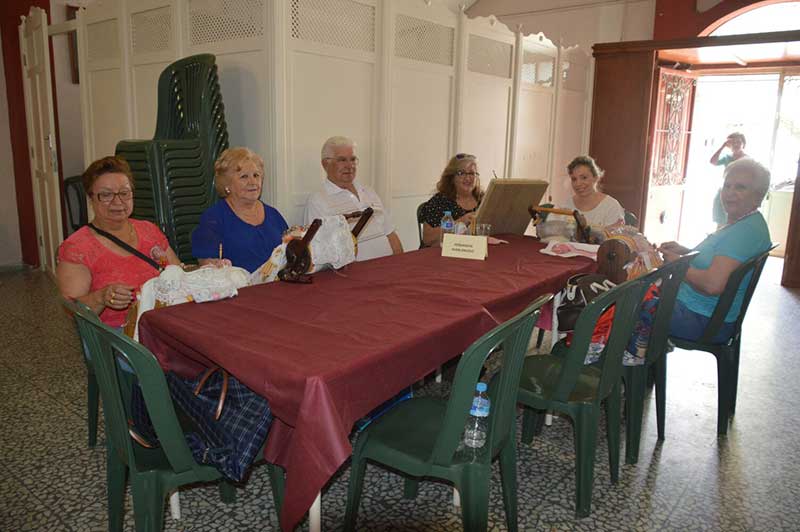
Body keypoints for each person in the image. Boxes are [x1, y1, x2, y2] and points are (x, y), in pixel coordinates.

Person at [57, 156, 181, 327]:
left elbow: (177, 274)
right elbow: (71, 310)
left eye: (124, 193)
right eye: (106, 195)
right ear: (91, 198)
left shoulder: (149, 230)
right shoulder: (77, 247)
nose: (118, 202)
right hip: (121, 339)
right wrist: (100, 297)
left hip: (166, 325)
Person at [659, 157, 771, 342]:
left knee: (623, 307)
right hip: (700, 311)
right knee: (634, 296)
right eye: (727, 186)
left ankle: (626, 365)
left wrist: (678, 264)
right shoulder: (745, 223)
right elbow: (719, 261)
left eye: (740, 187)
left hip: (702, 319)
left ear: (758, 195)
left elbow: (712, 285)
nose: (729, 193)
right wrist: (685, 252)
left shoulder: (745, 232)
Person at [304, 136, 403, 261]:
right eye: (342, 160)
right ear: (325, 164)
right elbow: (321, 252)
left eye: (352, 159)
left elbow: (390, 234)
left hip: (389, 266)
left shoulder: (369, 191)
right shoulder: (318, 201)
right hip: (358, 274)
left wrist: (401, 263)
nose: (349, 165)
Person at [192, 147, 288, 273]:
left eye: (256, 175)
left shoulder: (273, 215)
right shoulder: (213, 218)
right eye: (244, 177)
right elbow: (208, 268)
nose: (253, 182)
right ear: (227, 184)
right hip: (240, 290)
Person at [418, 153, 484, 247]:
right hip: (441, 255)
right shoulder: (439, 201)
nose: (468, 178)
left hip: (475, 252)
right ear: (451, 177)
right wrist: (460, 222)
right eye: (461, 173)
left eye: (472, 173)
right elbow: (427, 239)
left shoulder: (484, 199)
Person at [562, 155, 625, 228]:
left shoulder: (611, 206)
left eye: (584, 178)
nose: (578, 183)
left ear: (596, 178)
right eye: (574, 179)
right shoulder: (566, 205)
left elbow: (614, 238)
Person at [709, 132, 748, 228]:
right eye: (733, 142)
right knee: (720, 224)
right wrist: (722, 146)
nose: (736, 144)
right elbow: (713, 161)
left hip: (739, 194)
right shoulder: (727, 158)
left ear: (743, 144)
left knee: (733, 224)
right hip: (725, 191)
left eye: (738, 142)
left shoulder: (748, 160)